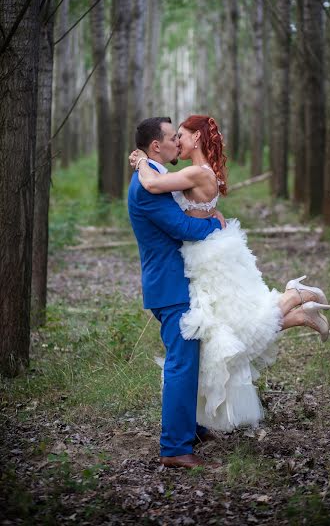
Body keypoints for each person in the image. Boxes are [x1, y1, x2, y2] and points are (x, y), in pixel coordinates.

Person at [129, 115, 330, 433]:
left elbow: (158, 188)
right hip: (201, 255)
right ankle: (301, 314)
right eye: (173, 136)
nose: (177, 141)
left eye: (181, 135)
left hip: (209, 254)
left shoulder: (193, 171)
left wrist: (141, 161)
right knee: (224, 333)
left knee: (234, 329)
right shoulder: (189, 171)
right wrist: (146, 160)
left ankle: (295, 295)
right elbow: (170, 190)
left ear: (196, 138)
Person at [127, 117, 225, 470]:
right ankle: (174, 449)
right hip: (170, 287)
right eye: (172, 138)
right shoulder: (146, 185)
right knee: (182, 364)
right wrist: (215, 223)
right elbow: (182, 227)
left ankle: (192, 429)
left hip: (175, 282)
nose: (177, 143)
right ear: (157, 146)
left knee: (190, 360)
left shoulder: (153, 175)